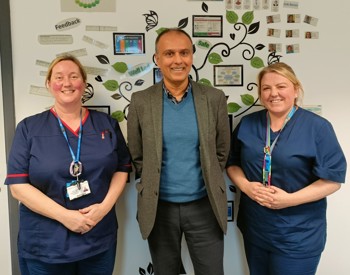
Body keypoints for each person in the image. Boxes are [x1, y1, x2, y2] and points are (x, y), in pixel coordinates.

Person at [5, 55, 132, 275]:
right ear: (48, 84)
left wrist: (104, 208)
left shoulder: (107, 125)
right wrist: (66, 217)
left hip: (97, 237)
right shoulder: (28, 128)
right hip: (46, 244)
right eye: (59, 77)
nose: (67, 83)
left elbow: (122, 168)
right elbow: (18, 187)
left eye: (74, 76)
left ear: (83, 83)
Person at [226, 62, 347, 275]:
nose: (274, 93)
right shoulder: (247, 124)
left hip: (298, 235)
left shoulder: (318, 127)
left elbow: (332, 180)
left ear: (295, 89)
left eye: (281, 86)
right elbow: (232, 163)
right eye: (266, 88)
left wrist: (289, 200)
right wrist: (246, 186)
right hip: (256, 230)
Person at [127, 28, 231, 275]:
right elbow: (137, 153)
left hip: (204, 206)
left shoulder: (214, 98)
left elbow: (222, 150)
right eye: (169, 53)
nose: (177, 60)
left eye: (184, 52)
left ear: (192, 56)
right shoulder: (141, 100)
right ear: (157, 59)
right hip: (159, 208)